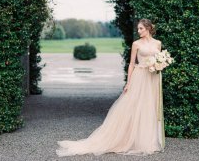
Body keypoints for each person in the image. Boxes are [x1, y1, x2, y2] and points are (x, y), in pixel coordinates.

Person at [56, 19, 165, 157]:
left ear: (148, 28)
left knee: (149, 107)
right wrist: (128, 83)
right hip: (139, 77)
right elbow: (131, 64)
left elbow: (159, 60)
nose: (138, 31)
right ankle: (127, 139)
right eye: (138, 29)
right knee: (132, 106)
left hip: (152, 78)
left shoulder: (158, 43)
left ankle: (147, 140)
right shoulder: (136, 44)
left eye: (141, 29)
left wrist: (159, 65)